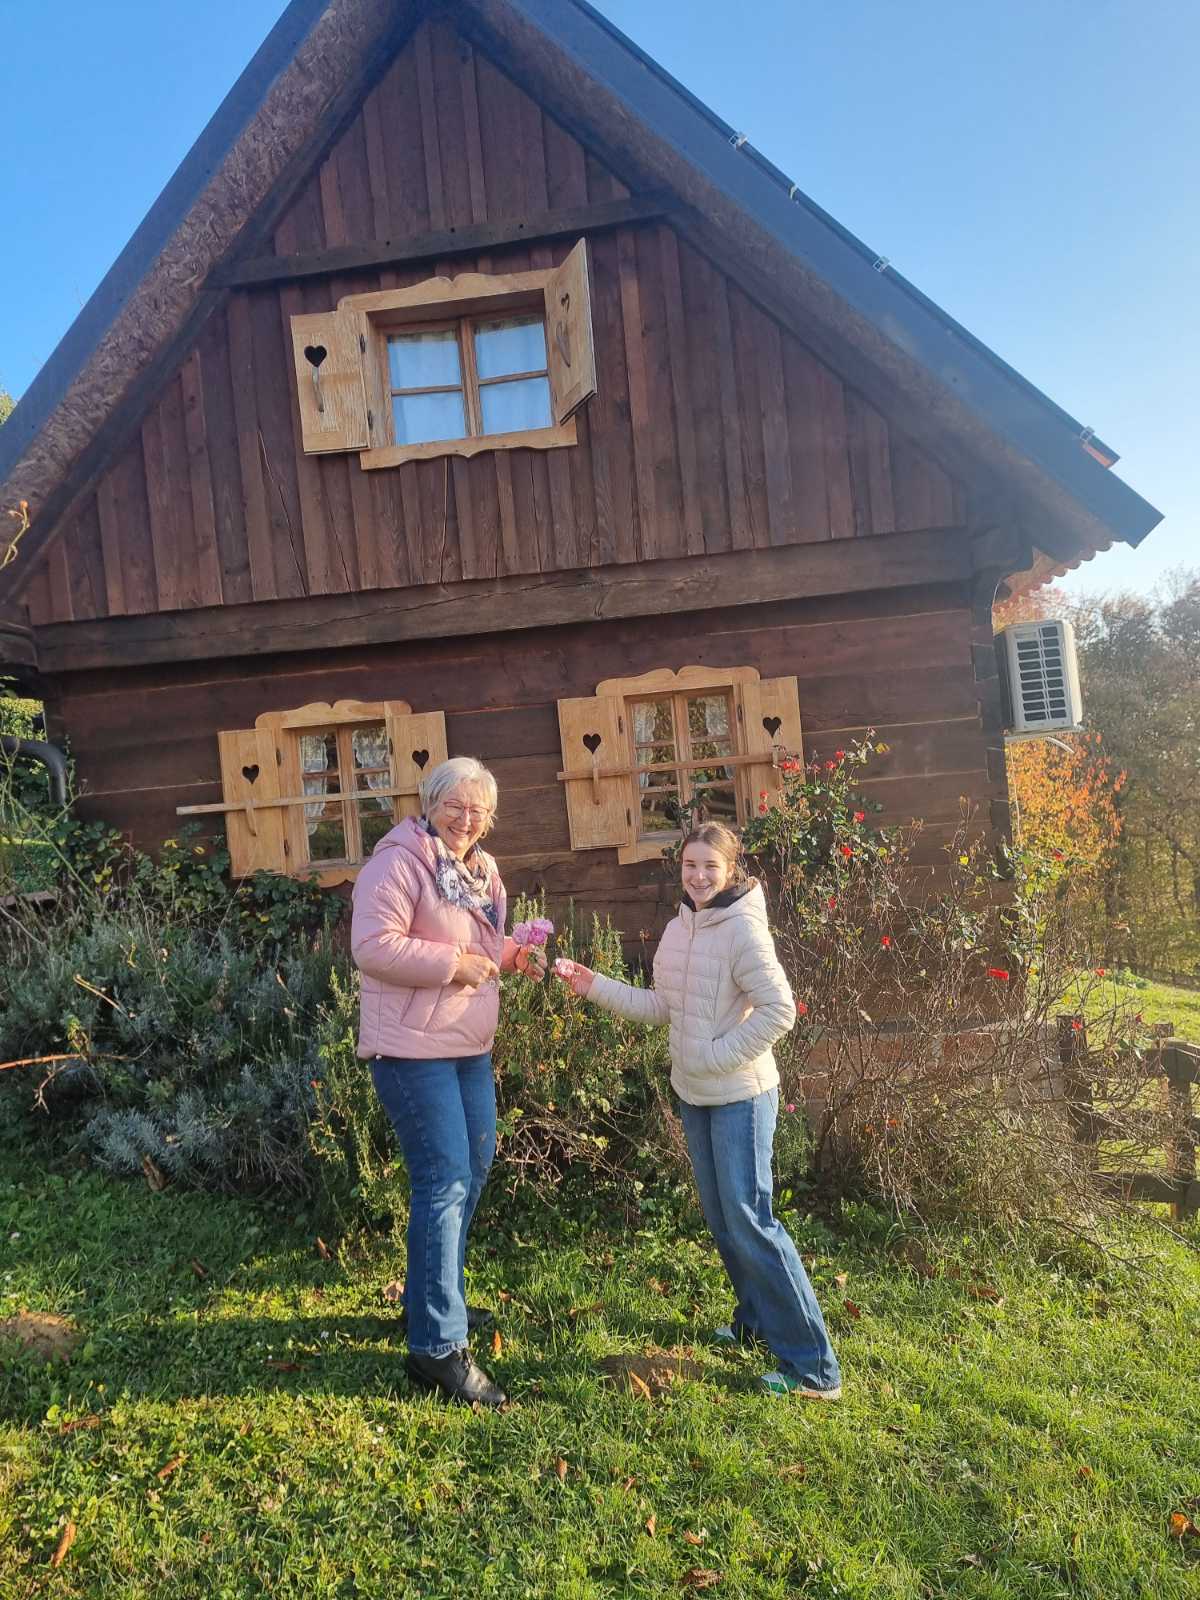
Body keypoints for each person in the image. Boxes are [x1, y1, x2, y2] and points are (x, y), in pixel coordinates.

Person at [555, 821, 841, 1399]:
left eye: (711, 866)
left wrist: (714, 1055)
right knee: (723, 1219)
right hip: (696, 1096)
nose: (699, 876)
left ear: (731, 870)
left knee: (751, 1220)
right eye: (690, 865)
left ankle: (814, 1368)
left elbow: (780, 1010)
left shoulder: (744, 931)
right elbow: (662, 1006)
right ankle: (754, 1322)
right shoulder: (679, 928)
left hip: (741, 1098)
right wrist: (594, 985)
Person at [351, 756, 544, 1408]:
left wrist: (514, 956)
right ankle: (436, 1347)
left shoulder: (480, 871)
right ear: (430, 804)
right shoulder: (398, 863)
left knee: (473, 1169)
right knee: (445, 1180)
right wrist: (452, 964)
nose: (467, 819)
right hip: (411, 1051)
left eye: (478, 809)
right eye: (455, 805)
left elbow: (479, 952)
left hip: (467, 1047)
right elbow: (372, 946)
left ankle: (435, 1301)